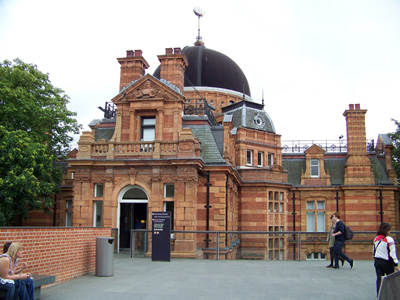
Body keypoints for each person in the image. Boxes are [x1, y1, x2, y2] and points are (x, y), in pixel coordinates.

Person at [373, 222, 399, 296]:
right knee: (391, 279)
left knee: (379, 279)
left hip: (377, 261)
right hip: (386, 262)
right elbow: (392, 253)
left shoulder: (376, 238)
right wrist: (395, 264)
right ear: (387, 230)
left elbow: (374, 250)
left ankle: (380, 295)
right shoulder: (389, 239)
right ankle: (395, 294)